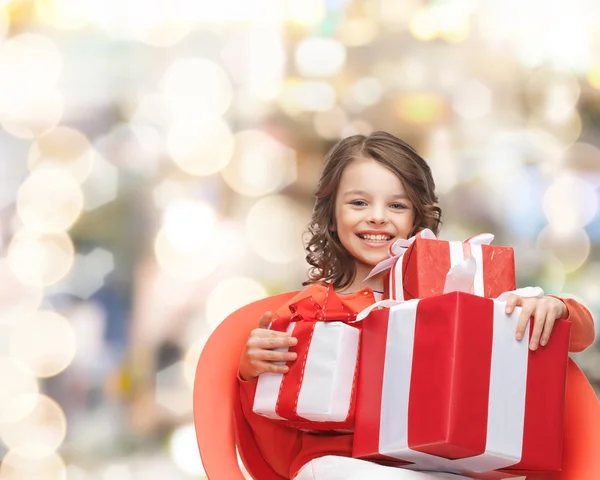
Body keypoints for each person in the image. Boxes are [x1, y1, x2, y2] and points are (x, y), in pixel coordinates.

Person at [236, 131, 596, 480]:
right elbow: (273, 432)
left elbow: (578, 337)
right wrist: (252, 370)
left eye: (396, 205)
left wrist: (555, 308)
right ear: (331, 214)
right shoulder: (312, 310)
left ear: (417, 218)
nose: (377, 216)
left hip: (440, 466)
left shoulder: (454, 294)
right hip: (338, 466)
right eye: (359, 202)